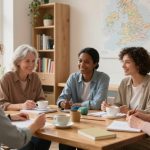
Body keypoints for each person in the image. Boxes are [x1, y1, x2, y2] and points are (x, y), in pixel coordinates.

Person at [57, 47, 110, 150]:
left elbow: (97, 104)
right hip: (75, 119)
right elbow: (61, 98)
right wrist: (63, 103)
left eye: (86, 62)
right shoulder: (73, 77)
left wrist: (77, 104)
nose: (81, 64)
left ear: (95, 64)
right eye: (80, 61)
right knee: (65, 142)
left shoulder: (103, 78)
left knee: (85, 145)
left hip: (94, 121)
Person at [0, 44, 51, 150]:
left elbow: (41, 99)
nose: (31, 64)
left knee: (45, 138)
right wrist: (22, 105)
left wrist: (38, 105)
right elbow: (2, 105)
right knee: (27, 145)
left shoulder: (35, 77)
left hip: (31, 120)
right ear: (18, 61)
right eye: (27, 61)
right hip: (13, 124)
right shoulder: (6, 78)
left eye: (33, 61)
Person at [101, 47, 150, 113]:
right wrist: (109, 107)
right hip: (124, 122)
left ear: (139, 64)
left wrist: (130, 111)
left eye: (127, 62)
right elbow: (118, 105)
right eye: (123, 62)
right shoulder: (124, 82)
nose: (123, 66)